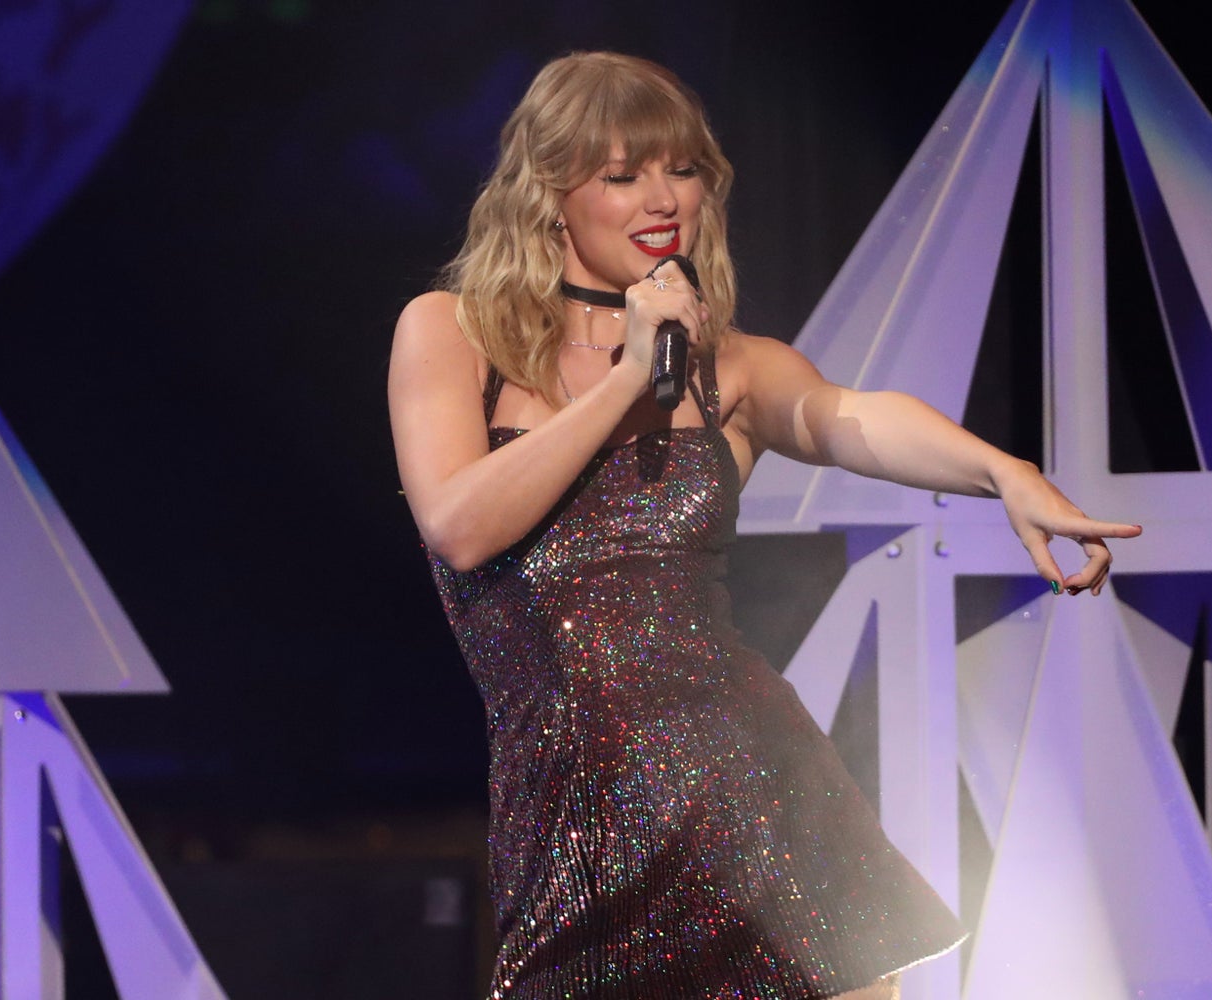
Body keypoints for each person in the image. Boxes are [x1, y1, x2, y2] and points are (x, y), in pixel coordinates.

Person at [388, 51, 1139, 1000]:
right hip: (574, 827)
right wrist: (628, 376)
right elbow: (459, 526)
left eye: (681, 168)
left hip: (756, 797)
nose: (662, 198)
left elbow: (847, 418)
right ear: (551, 196)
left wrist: (1004, 471)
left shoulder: (731, 368)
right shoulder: (453, 334)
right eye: (622, 176)